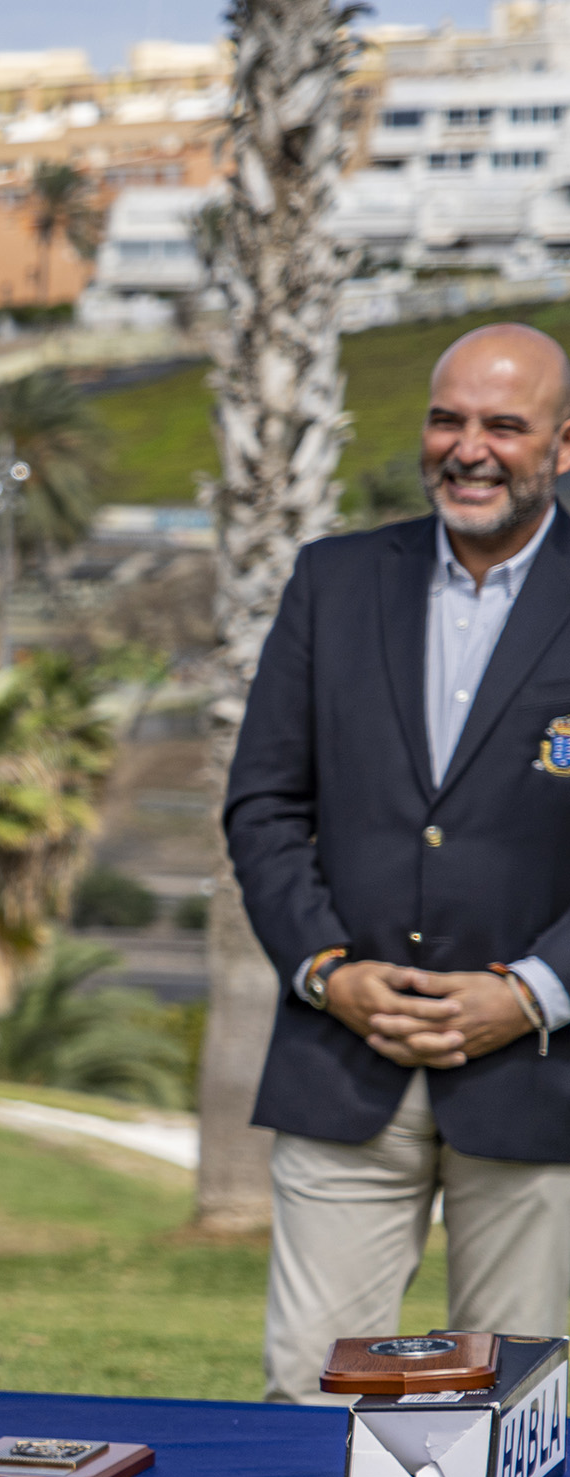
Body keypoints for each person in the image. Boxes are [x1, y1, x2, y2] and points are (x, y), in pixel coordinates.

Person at [227, 321, 570, 1405]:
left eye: (504, 425)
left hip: (538, 1079)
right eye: (446, 419)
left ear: (562, 445)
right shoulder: (332, 581)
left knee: (516, 1411)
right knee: (309, 1394)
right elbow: (263, 804)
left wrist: (531, 991)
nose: (468, 448)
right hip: (343, 1062)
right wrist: (328, 970)